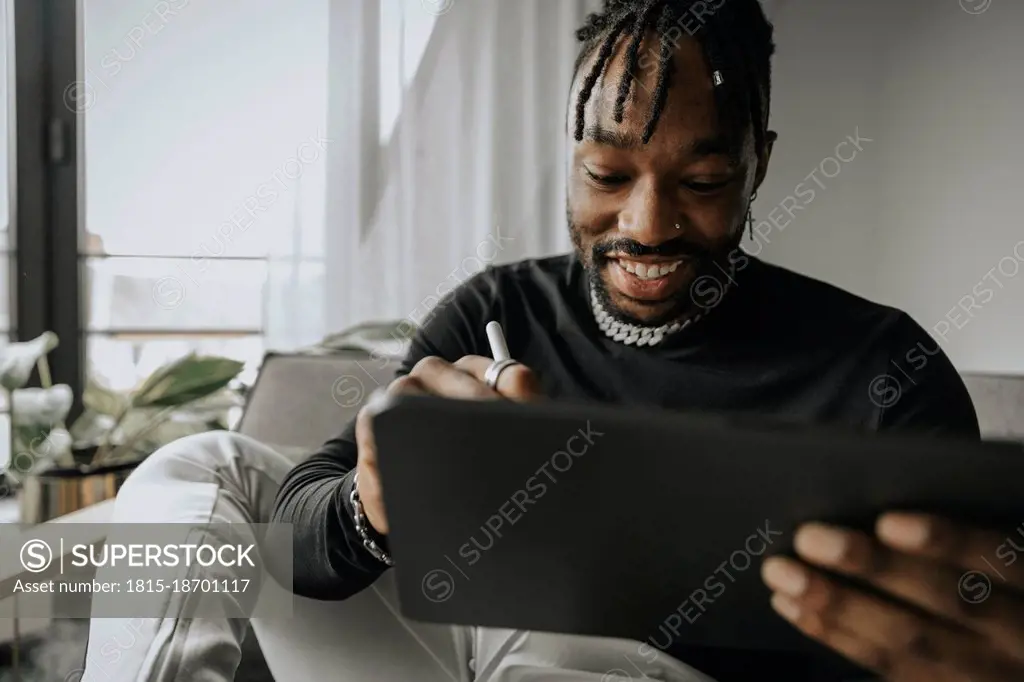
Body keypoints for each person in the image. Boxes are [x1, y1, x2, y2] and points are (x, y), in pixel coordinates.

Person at [83, 1, 1023, 680]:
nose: (647, 225)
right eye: (607, 173)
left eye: (701, 181)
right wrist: (375, 508)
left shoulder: (881, 373)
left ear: (759, 164)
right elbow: (295, 545)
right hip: (465, 652)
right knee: (203, 465)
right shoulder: (497, 306)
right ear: (570, 159)